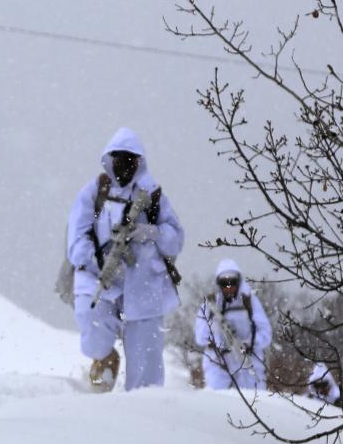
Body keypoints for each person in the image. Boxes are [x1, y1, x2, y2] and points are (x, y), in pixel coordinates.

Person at [66, 128, 185, 391]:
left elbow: (176, 238)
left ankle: (142, 415)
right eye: (119, 159)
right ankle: (105, 360)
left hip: (143, 284)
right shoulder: (95, 191)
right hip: (100, 278)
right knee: (92, 323)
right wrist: (99, 261)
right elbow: (76, 237)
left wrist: (150, 232)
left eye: (130, 160)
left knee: (146, 368)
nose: (124, 165)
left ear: (139, 161)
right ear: (110, 159)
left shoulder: (153, 196)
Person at [194, 259, 272, 390]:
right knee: (216, 402)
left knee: (255, 401)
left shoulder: (250, 302)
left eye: (232, 283)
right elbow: (200, 338)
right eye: (225, 284)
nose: (229, 288)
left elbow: (266, 333)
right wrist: (217, 335)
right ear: (219, 284)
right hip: (218, 363)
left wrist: (250, 343)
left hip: (248, 362)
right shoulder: (210, 305)